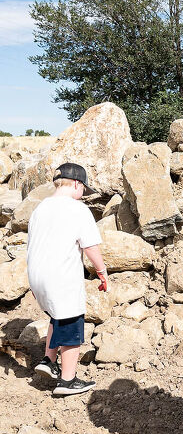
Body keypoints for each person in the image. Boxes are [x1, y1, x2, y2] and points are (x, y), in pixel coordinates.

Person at [27, 162, 108, 397]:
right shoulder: (77, 210)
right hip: (61, 277)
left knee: (57, 315)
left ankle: (48, 361)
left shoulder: (39, 209)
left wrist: (34, 280)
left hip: (37, 276)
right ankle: (67, 380)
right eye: (83, 189)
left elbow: (31, 245)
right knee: (72, 323)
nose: (83, 195)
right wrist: (102, 272)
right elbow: (90, 245)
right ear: (76, 184)